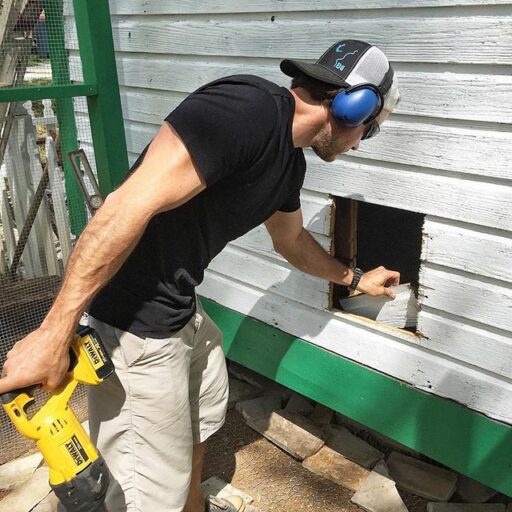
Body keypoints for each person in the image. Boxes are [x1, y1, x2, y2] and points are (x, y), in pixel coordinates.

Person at [0, 40, 401, 512]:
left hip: (180, 309)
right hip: (136, 326)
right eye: (367, 134)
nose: (358, 147)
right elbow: (125, 206)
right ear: (357, 107)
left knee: (202, 421)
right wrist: (53, 333)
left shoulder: (287, 163)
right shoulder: (244, 109)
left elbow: (291, 241)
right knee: (147, 496)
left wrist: (355, 280)